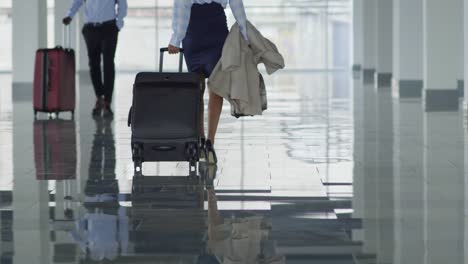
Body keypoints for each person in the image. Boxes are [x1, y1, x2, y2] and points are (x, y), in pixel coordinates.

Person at [168, 0, 249, 164]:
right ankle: (209, 142)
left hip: (193, 34)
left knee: (196, 91)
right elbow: (236, 5)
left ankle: (202, 140)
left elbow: (181, 7)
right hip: (216, 32)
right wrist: (245, 33)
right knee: (216, 88)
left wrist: (176, 39)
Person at [63, 0, 128, 118]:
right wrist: (69, 15)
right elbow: (77, 2)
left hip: (109, 27)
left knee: (108, 64)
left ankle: (107, 101)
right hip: (90, 29)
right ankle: (99, 97)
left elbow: (122, 4)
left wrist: (119, 24)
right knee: (93, 65)